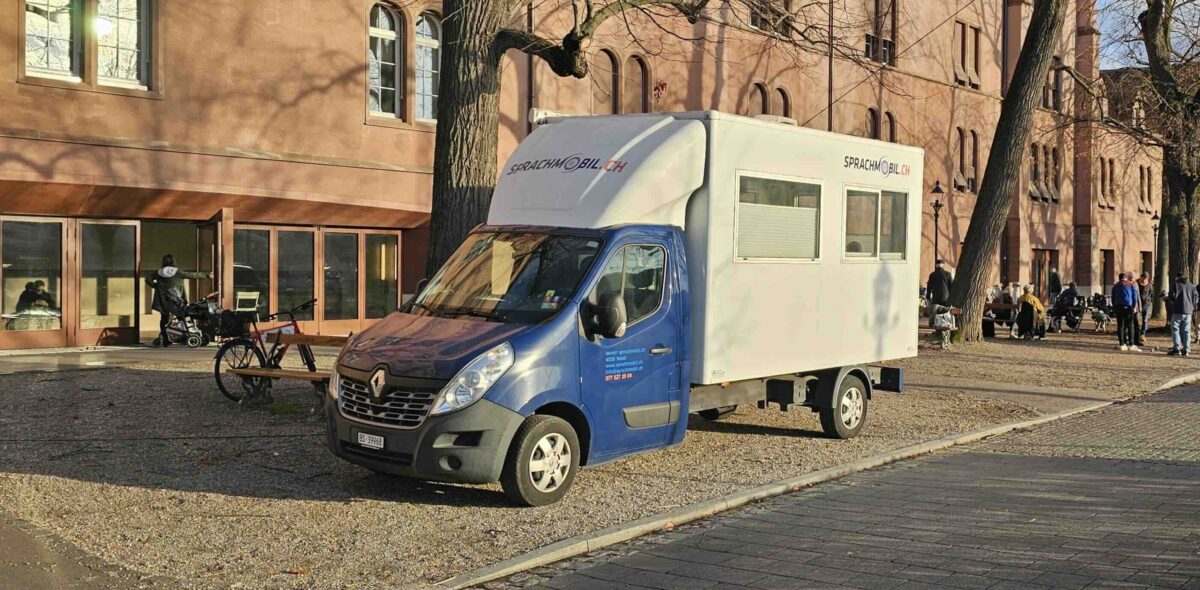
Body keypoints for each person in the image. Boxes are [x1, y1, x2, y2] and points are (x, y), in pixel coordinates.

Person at [145, 254, 210, 347]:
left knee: (164, 319)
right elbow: (191, 275)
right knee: (181, 317)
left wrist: (156, 286)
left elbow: (148, 279)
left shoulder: (158, 272)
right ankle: (182, 335)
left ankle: (166, 338)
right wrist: (206, 275)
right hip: (176, 299)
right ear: (173, 262)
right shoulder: (177, 272)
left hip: (163, 300)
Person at [1165, 272, 1199, 356]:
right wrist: (1191, 306)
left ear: (1177, 277)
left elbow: (1171, 297)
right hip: (1189, 311)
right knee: (1186, 330)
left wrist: (1171, 301)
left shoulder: (1175, 285)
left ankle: (1177, 348)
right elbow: (1196, 299)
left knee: (1175, 328)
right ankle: (1186, 349)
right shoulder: (1192, 286)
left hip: (1178, 310)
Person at [1111, 272, 1140, 351]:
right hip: (1128, 306)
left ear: (1119, 278)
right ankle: (1131, 344)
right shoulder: (1130, 285)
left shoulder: (1115, 286)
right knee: (1130, 325)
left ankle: (1122, 343)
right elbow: (1134, 296)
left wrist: (1114, 307)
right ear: (1126, 278)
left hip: (1118, 307)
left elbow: (1113, 298)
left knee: (1120, 326)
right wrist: (1135, 306)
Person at [926, 259, 953, 327]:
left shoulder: (932, 275)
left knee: (936, 312)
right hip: (946, 297)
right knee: (944, 313)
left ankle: (935, 325)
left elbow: (929, 287)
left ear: (936, 265)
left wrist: (928, 297)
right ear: (943, 265)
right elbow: (951, 287)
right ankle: (944, 325)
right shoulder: (948, 274)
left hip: (936, 298)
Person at [1136, 271, 1154, 344]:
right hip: (1137, 305)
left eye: (1145, 279)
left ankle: (1142, 334)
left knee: (1145, 320)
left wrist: (1149, 302)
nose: (1144, 280)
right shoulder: (1136, 284)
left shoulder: (1149, 285)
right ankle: (1136, 334)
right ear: (1141, 277)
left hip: (1146, 305)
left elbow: (1152, 294)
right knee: (1136, 320)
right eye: (1143, 278)